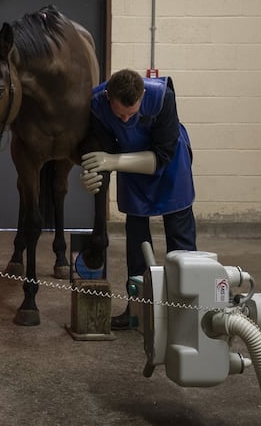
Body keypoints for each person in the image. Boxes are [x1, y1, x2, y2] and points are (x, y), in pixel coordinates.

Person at [79, 68, 197, 331]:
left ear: (142, 97)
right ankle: (136, 311)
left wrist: (111, 162)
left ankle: (186, 314)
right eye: (119, 113)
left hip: (170, 165)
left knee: (181, 244)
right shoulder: (97, 104)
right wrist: (91, 172)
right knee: (136, 245)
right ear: (109, 97)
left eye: (131, 114)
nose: (124, 118)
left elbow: (163, 155)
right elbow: (101, 147)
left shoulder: (162, 97)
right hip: (132, 168)